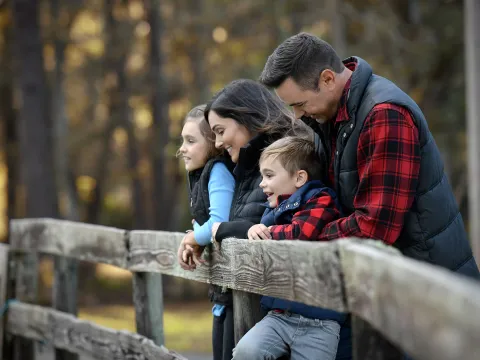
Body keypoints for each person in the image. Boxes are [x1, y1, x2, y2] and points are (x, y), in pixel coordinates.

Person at [259, 32, 480, 359]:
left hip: (429, 299)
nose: (297, 116)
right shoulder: (331, 117)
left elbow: (376, 227)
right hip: (383, 293)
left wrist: (300, 236)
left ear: (328, 78)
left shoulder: (384, 114)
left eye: (299, 104)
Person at [177, 79, 312, 360]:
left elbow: (265, 229)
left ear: (245, 118)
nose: (217, 142)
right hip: (244, 302)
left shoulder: (282, 165)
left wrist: (206, 233)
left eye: (220, 131)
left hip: (280, 312)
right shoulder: (246, 169)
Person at [233, 136, 345, 360]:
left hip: (321, 322)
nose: (261, 183)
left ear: (299, 177)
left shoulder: (321, 199)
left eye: (269, 175)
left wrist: (267, 234)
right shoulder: (274, 210)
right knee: (246, 351)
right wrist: (254, 230)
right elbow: (260, 238)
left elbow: (301, 233)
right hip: (279, 314)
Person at [175, 104, 236, 359]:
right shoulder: (202, 175)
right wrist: (195, 238)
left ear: (212, 143)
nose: (182, 149)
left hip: (234, 288)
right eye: (182, 140)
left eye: (190, 141)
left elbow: (218, 222)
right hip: (219, 287)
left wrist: (192, 237)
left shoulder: (218, 172)